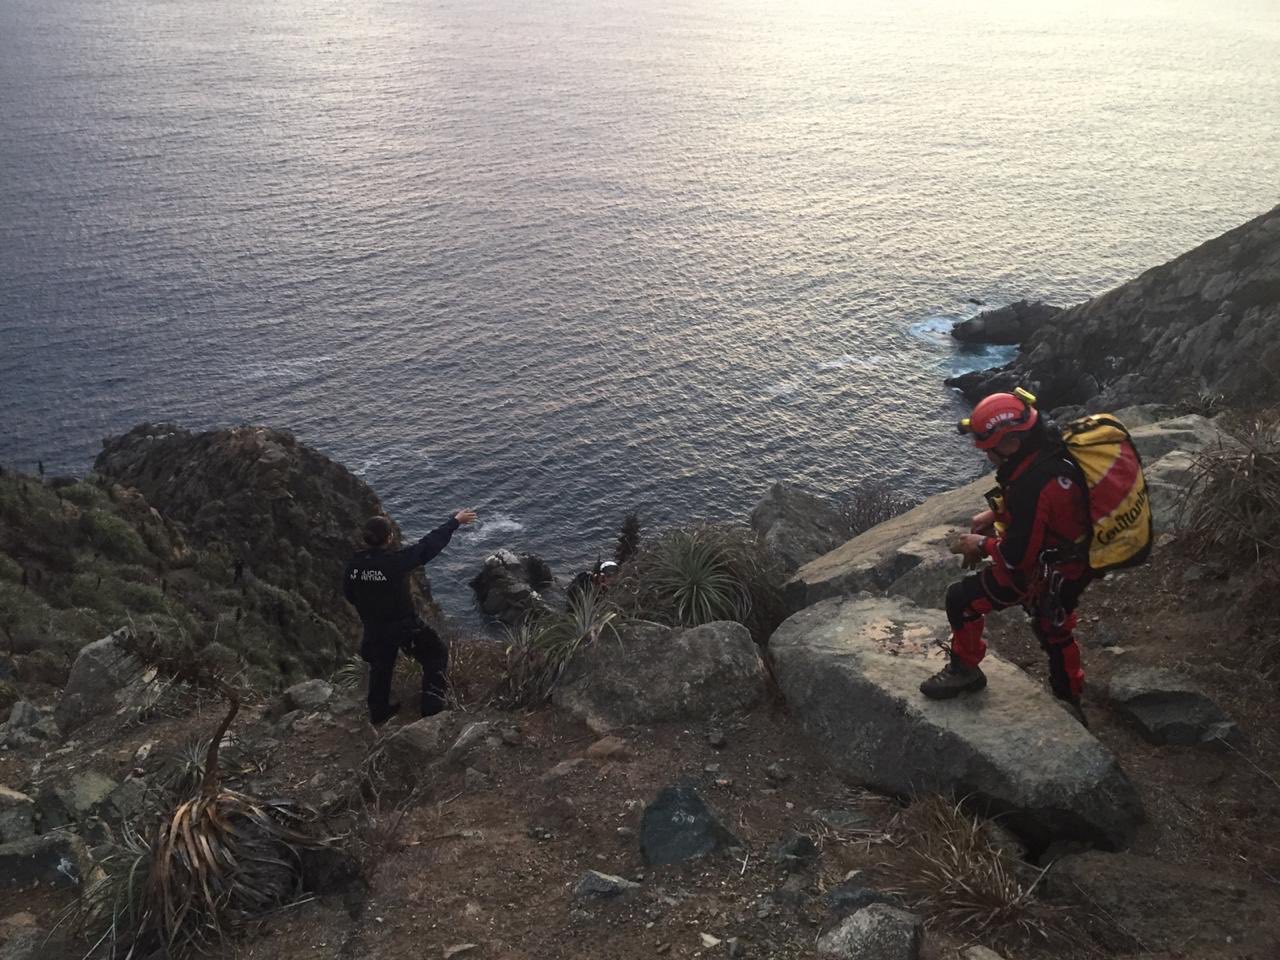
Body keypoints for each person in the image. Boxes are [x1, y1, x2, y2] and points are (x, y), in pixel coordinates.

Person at [920, 391, 1092, 723]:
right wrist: (994, 515)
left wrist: (979, 544)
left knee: (961, 599)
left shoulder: (1033, 484)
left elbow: (1016, 558)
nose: (986, 456)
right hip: (1069, 563)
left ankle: (965, 670)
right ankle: (1070, 698)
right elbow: (1045, 512)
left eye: (989, 449)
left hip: (1041, 572)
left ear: (1012, 442)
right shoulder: (1052, 450)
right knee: (1055, 632)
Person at [344, 508, 477, 725]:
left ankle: (379, 713)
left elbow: (349, 594)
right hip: (404, 626)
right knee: (436, 655)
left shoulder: (354, 566)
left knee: (381, 667)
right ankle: (431, 710)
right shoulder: (394, 562)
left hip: (374, 628)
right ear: (389, 538)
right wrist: (454, 522)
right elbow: (427, 546)